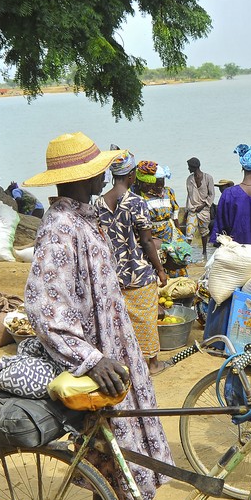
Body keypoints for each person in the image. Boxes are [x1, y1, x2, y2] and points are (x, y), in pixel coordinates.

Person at [21, 131, 173, 500]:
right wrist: (89, 358)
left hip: (119, 353)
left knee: (119, 454)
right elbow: (44, 308)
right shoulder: (60, 229)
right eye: (97, 172)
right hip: (99, 361)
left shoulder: (84, 218)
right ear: (82, 179)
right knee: (115, 454)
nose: (104, 176)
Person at [97, 151, 169, 374]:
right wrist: (160, 270)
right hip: (138, 272)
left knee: (120, 321)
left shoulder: (98, 203)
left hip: (112, 273)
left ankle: (125, 360)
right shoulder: (136, 202)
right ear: (131, 176)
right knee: (146, 318)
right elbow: (147, 241)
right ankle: (152, 363)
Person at [134, 161, 184, 245]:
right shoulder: (143, 197)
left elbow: (175, 215)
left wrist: (178, 232)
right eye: (157, 185)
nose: (160, 188)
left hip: (169, 232)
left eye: (162, 185)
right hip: (153, 234)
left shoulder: (169, 192)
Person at [184, 157, 214, 258]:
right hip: (192, 210)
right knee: (189, 232)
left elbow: (211, 195)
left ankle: (204, 252)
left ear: (194, 167)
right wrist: (186, 210)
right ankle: (186, 254)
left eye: (189, 167)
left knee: (204, 232)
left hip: (204, 210)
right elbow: (189, 195)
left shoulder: (208, 178)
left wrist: (203, 205)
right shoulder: (189, 179)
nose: (188, 169)